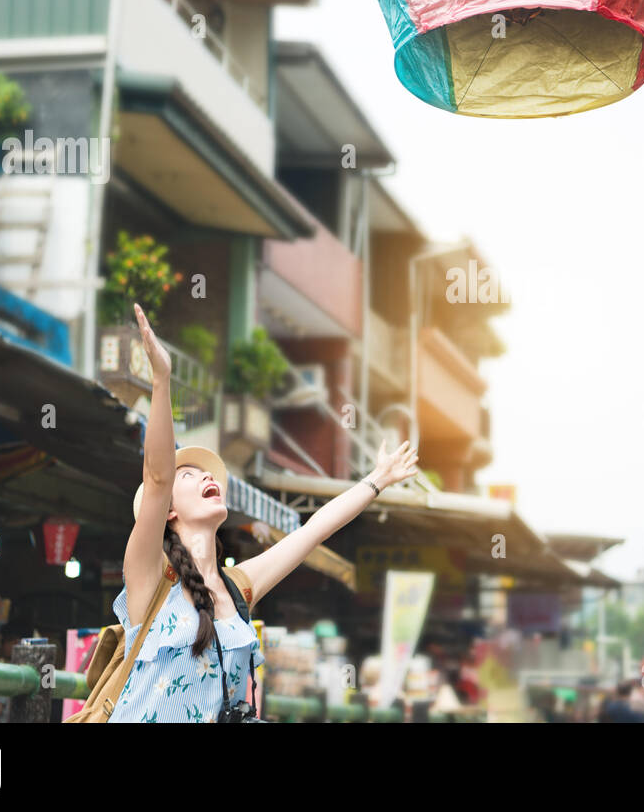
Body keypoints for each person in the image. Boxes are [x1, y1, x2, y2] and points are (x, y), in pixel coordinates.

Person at [108, 303, 419, 723]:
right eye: (189, 476)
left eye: (206, 473)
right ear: (166, 512)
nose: (203, 477)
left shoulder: (238, 587)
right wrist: (162, 381)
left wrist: (376, 480)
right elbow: (158, 476)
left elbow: (312, 530)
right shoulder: (150, 577)